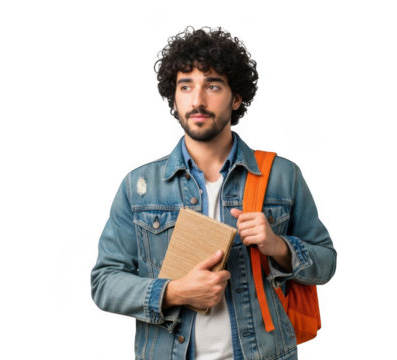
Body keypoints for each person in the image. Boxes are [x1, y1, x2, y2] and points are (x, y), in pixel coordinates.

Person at [90, 25, 337, 360]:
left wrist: (278, 247)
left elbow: (326, 263)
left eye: (213, 85)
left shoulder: (282, 176)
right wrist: (173, 292)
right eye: (186, 86)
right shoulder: (137, 186)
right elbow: (103, 284)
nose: (198, 100)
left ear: (236, 97)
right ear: (174, 99)